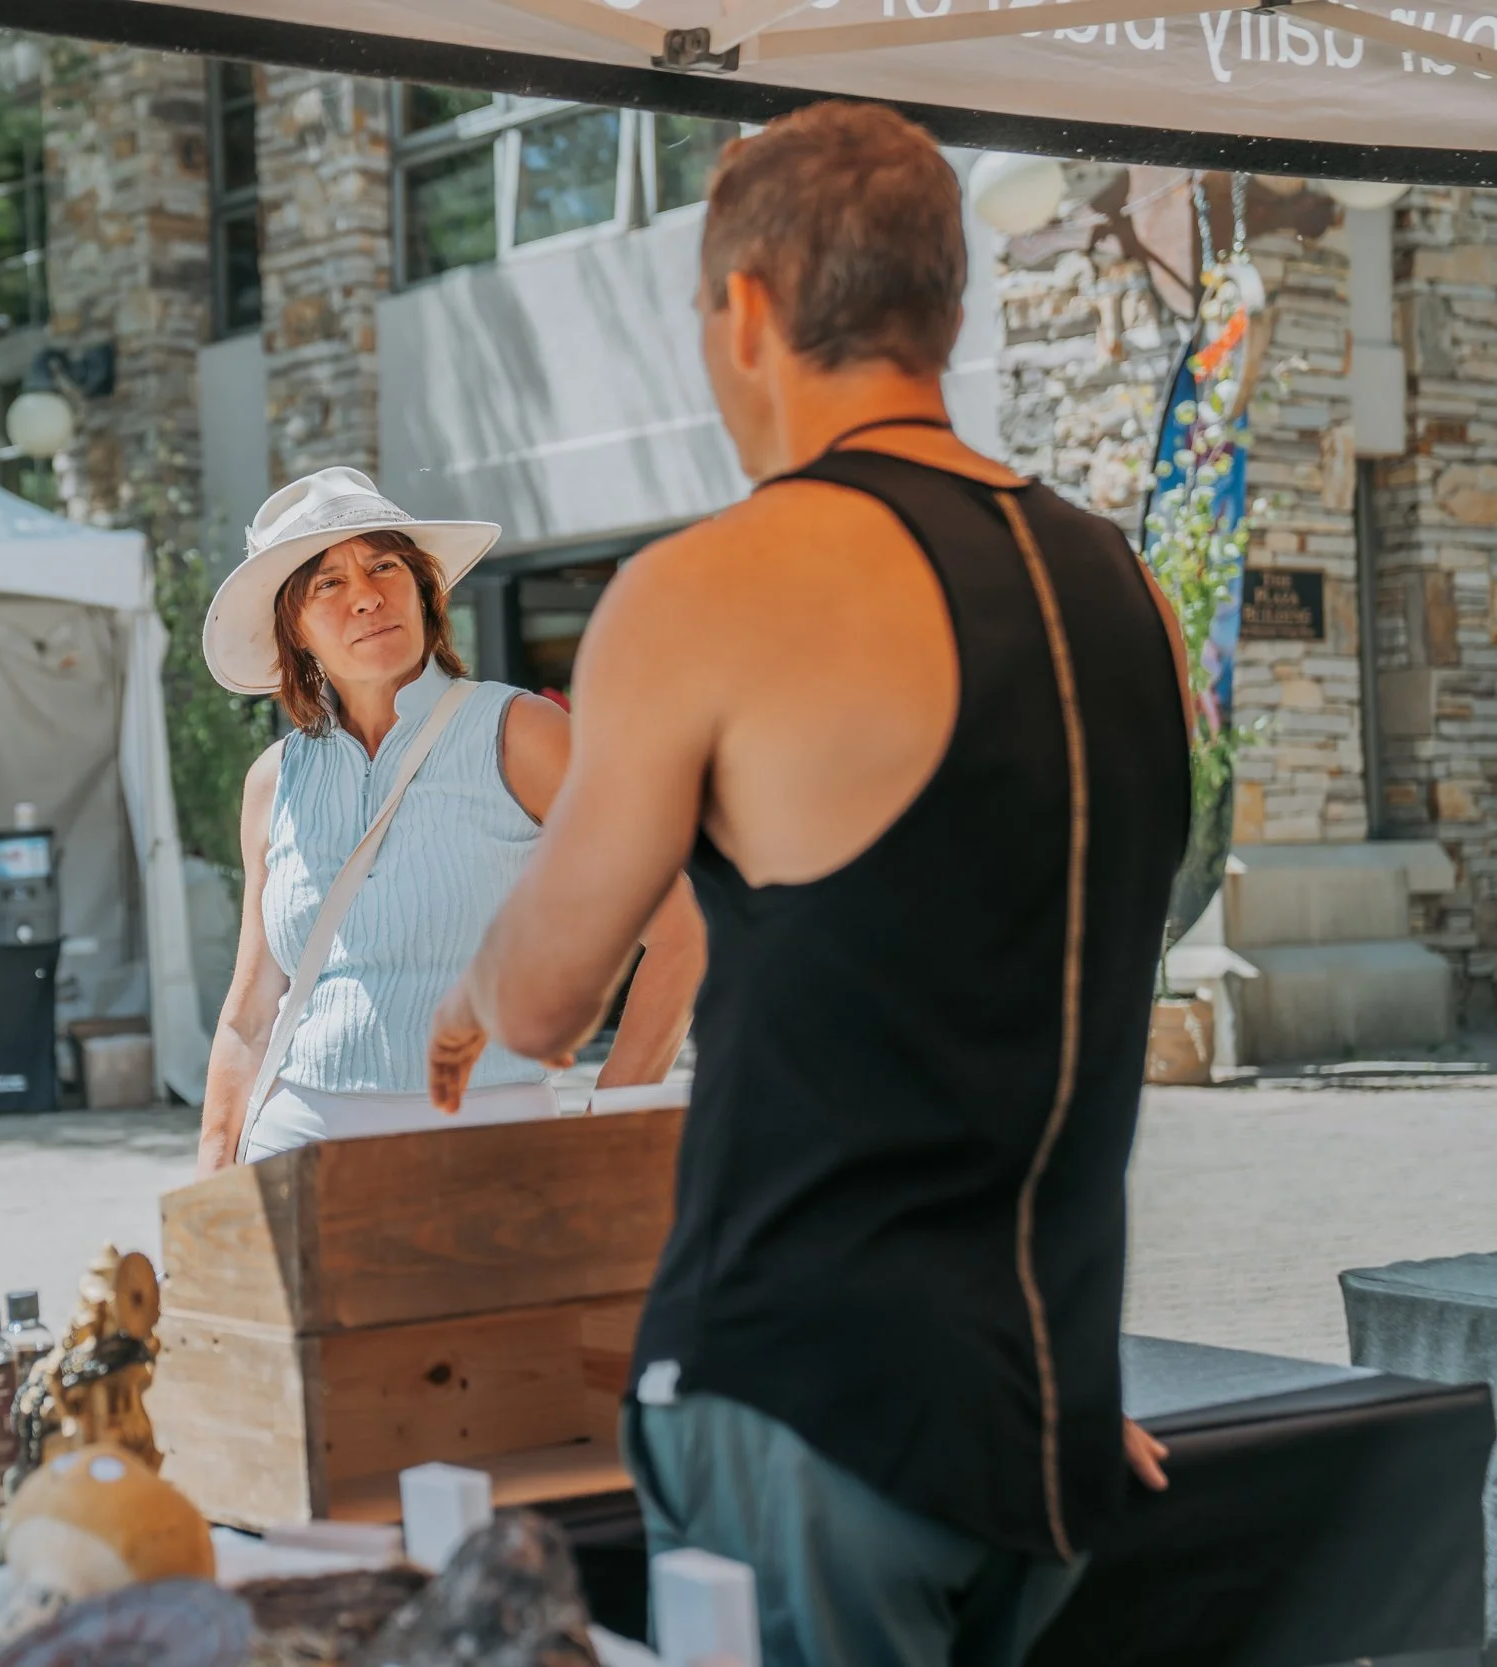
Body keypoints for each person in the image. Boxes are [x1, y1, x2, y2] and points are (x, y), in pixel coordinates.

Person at [427, 104, 1192, 1666]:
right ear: (949, 308)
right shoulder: (1128, 591)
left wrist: (467, 987)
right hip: (1047, 1408)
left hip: (814, 1395)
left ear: (749, 310)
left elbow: (546, 996)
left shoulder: (710, 586)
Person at [195, 466, 705, 1175]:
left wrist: (606, 1131)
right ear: (296, 630)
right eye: (328, 583)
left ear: (423, 590)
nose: (366, 596)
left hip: (491, 1152)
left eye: (384, 566)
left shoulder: (521, 733)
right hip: (294, 1155)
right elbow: (250, 1017)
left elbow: (682, 935)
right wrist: (211, 1183)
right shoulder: (274, 780)